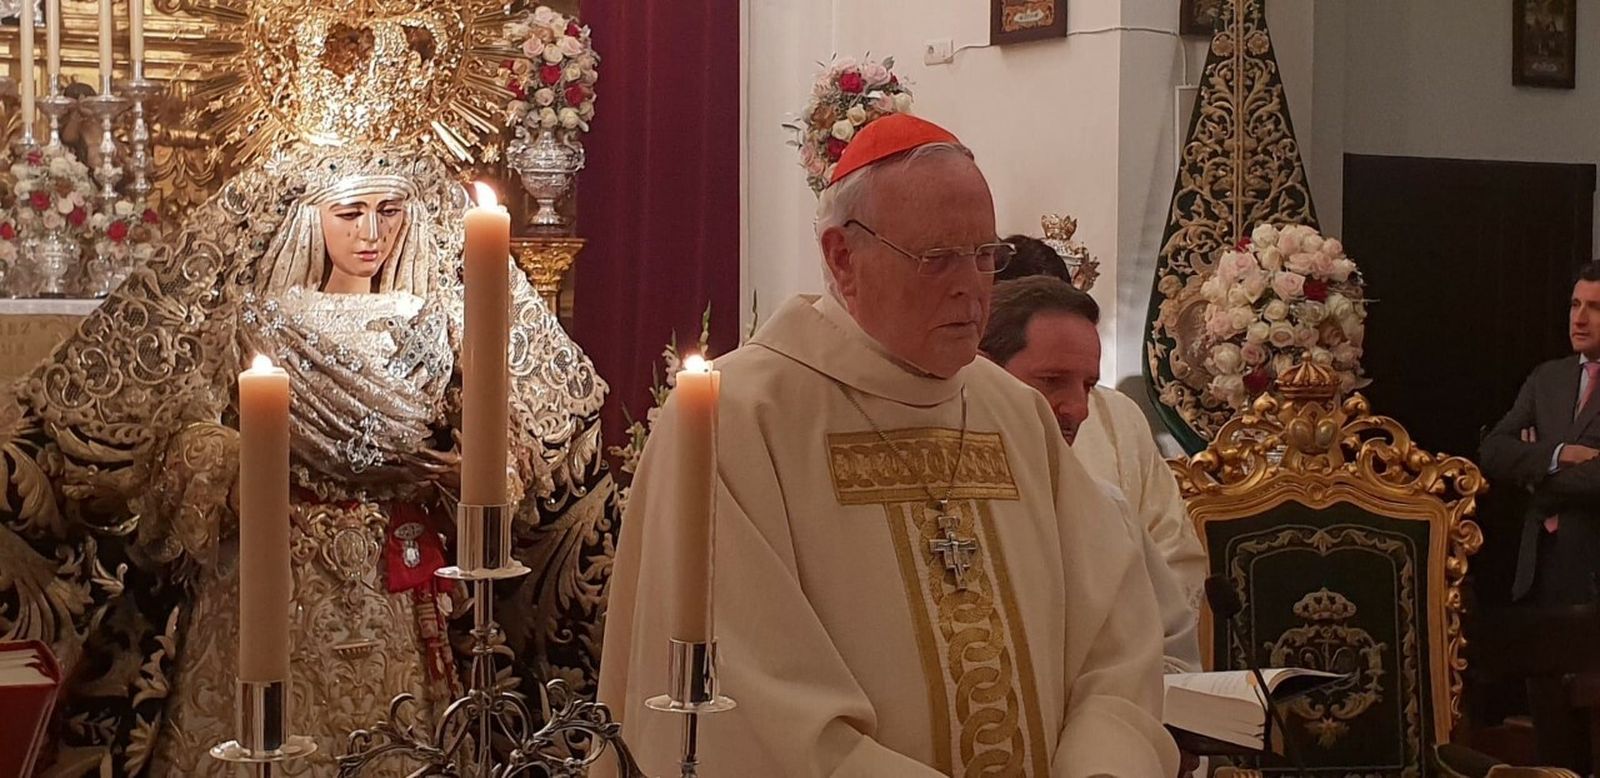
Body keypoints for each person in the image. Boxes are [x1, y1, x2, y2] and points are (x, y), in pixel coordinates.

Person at [0, 123, 612, 778]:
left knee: (403, 737)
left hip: (395, 569)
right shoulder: (260, 322)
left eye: (389, 211)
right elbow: (186, 431)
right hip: (276, 558)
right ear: (308, 218)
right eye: (349, 213)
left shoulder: (435, 324)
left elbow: (494, 438)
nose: (372, 233)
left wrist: (476, 472)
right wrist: (238, 466)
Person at [599, 113, 1178, 776]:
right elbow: (756, 705)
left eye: (984, 256)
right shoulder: (738, 419)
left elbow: (1114, 648)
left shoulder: (1015, 415)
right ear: (842, 257)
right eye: (938, 258)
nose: (971, 287)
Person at [980, 275, 1206, 673]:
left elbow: (1170, 648)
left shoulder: (1107, 509)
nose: (1080, 410)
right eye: (1052, 381)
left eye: (1088, 386)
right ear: (981, 369)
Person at [1482, 260, 1600, 605]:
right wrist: (1560, 455)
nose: (1579, 319)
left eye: (1595, 308)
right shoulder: (1547, 378)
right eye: (1575, 305)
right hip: (1538, 571)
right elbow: (1493, 450)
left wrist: (1533, 474)